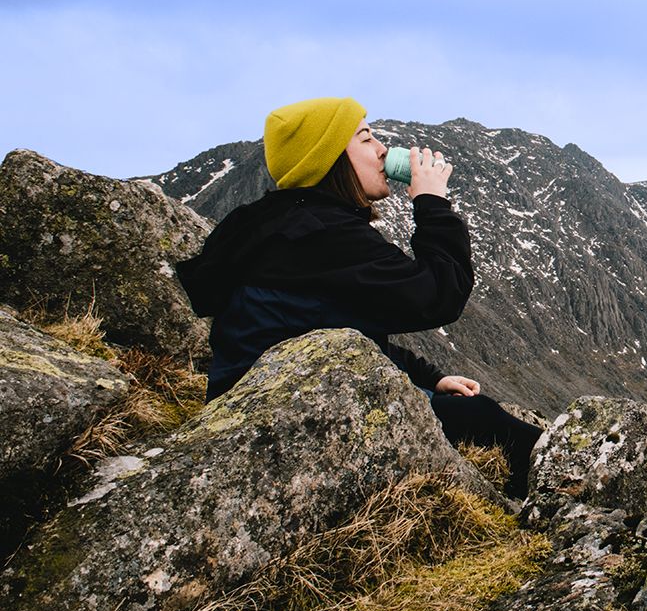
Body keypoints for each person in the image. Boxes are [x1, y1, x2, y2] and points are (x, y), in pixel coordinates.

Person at [176, 96, 540, 499]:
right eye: (366, 139)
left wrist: (429, 378)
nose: (383, 149)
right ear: (330, 157)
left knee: (471, 413)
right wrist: (432, 202)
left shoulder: (283, 225)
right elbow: (438, 295)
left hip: (256, 405)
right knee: (483, 420)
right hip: (285, 427)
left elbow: (333, 330)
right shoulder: (321, 236)